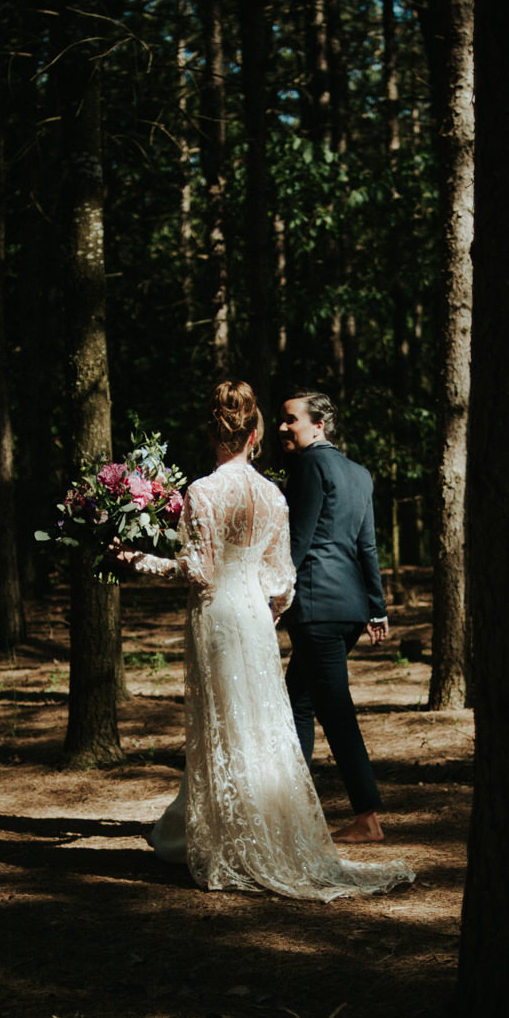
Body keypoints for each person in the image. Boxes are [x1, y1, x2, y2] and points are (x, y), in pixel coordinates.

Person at [111, 382, 412, 901]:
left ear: (213, 434)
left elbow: (200, 569)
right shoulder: (282, 492)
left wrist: (137, 560)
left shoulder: (205, 491)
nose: (277, 429)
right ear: (254, 434)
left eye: (289, 420)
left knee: (228, 718)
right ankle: (268, 818)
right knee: (268, 716)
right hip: (262, 611)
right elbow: (287, 575)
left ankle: (242, 829)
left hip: (227, 613)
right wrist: (272, 610)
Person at [277, 391, 389, 844]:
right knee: (299, 704)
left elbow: (299, 539)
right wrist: (377, 607)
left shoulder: (308, 465)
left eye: (290, 420)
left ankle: (366, 817)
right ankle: (296, 812)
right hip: (350, 609)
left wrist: (274, 598)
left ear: (318, 424)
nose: (283, 428)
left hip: (316, 606)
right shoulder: (359, 473)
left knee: (333, 712)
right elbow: (367, 546)